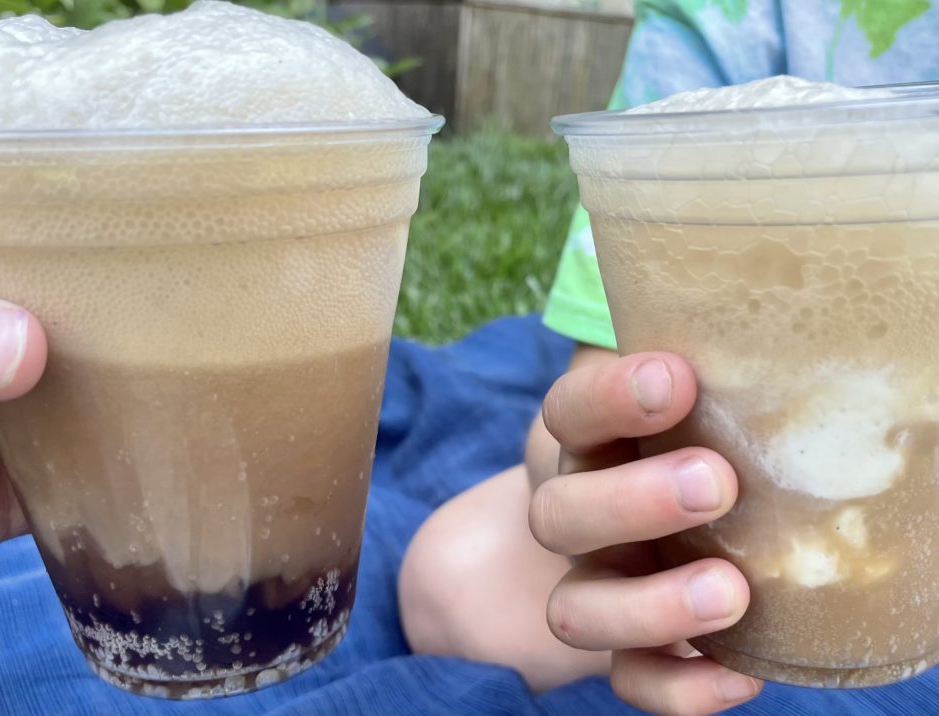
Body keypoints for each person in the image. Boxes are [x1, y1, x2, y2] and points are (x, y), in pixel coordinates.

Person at [398, 1, 939, 714]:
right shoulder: (727, 20)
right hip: (775, 528)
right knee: (456, 579)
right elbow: (612, 384)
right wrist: (618, 491)